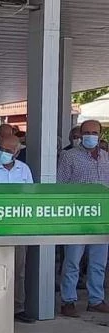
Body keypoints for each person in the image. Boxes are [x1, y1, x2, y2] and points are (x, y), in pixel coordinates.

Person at [0, 134, 35, 323]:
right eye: (1, 149)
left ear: (17, 152)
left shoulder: (24, 170)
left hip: (17, 227)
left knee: (18, 269)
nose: (3, 153)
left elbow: (29, 198)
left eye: (8, 151)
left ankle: (17, 307)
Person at [57, 120, 109, 318]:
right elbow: (61, 186)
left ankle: (96, 300)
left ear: (100, 134)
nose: (90, 136)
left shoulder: (105, 157)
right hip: (77, 217)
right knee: (72, 261)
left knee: (98, 263)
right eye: (86, 132)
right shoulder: (69, 156)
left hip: (101, 218)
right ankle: (68, 301)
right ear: (80, 134)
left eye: (94, 132)